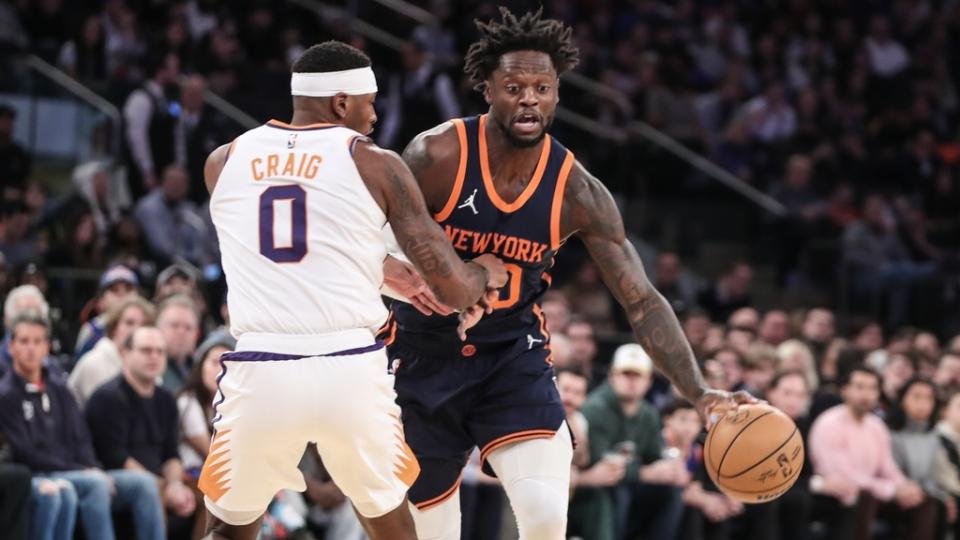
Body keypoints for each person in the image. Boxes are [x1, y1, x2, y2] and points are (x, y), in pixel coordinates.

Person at [382, 9, 750, 540]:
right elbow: (365, 239)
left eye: (542, 87)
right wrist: (436, 278)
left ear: (556, 94)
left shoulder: (577, 190)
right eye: (514, 86)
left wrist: (698, 391)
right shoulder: (437, 154)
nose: (529, 97)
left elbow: (641, 301)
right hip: (418, 357)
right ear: (487, 89)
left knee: (547, 517)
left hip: (510, 357)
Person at [197, 40, 506, 540]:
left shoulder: (223, 161)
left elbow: (290, 240)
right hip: (349, 367)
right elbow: (450, 287)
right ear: (341, 103)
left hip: (262, 367)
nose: (375, 114)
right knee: (393, 527)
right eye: (370, 101)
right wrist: (483, 272)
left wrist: (378, 266)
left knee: (227, 530)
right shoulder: (374, 162)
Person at [0, 314, 166, 540]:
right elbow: (25, 452)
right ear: (11, 347)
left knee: (144, 483)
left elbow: (81, 437)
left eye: (38, 341)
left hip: (75, 470)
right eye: (24, 341)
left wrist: (90, 465)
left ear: (47, 347)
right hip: (39, 473)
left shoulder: (59, 388)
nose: (31, 348)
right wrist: (79, 469)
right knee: (93, 484)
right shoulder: (6, 394)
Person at [85, 326, 197, 529]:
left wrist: (175, 485)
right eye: (146, 350)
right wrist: (162, 487)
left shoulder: (167, 399)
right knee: (148, 488)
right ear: (125, 353)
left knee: (209, 493)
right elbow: (114, 457)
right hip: (116, 483)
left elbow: (171, 454)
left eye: (160, 351)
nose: (154, 357)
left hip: (158, 482)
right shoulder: (107, 398)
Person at [808, 366, 931, 540]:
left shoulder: (877, 426)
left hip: (874, 492)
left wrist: (903, 486)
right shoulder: (829, 423)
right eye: (860, 387)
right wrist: (890, 490)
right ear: (845, 390)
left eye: (872, 388)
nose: (866, 394)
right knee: (863, 496)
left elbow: (887, 466)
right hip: (838, 495)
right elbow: (844, 475)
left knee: (927, 501)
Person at [68, 296, 155, 406]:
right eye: (129, 323)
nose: (136, 330)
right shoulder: (94, 363)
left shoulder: (151, 362)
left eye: (144, 325)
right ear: (114, 328)